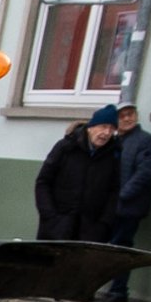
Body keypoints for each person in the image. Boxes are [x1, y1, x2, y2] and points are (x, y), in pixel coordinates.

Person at [100, 102, 151, 302]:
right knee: (109, 247)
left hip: (128, 207)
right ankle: (110, 291)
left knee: (120, 248)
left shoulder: (145, 141)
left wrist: (122, 196)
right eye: (123, 115)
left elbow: (144, 173)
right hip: (112, 205)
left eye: (131, 114)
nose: (127, 118)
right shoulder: (116, 141)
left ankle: (117, 293)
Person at [34, 104, 122, 242]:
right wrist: (50, 216)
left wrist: (104, 224)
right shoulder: (66, 147)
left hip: (91, 232)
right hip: (57, 226)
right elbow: (43, 182)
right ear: (91, 127)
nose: (106, 133)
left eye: (112, 129)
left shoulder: (112, 155)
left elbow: (114, 192)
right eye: (103, 126)